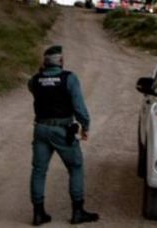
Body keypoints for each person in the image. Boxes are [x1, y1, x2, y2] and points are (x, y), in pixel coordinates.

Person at [28, 45, 98, 225]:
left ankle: (38, 213)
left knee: (39, 170)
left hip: (40, 128)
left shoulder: (34, 80)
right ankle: (77, 211)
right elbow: (79, 106)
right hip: (62, 129)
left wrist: (42, 73)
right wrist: (85, 125)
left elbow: (36, 89)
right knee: (75, 167)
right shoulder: (69, 78)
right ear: (60, 61)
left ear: (44, 62)